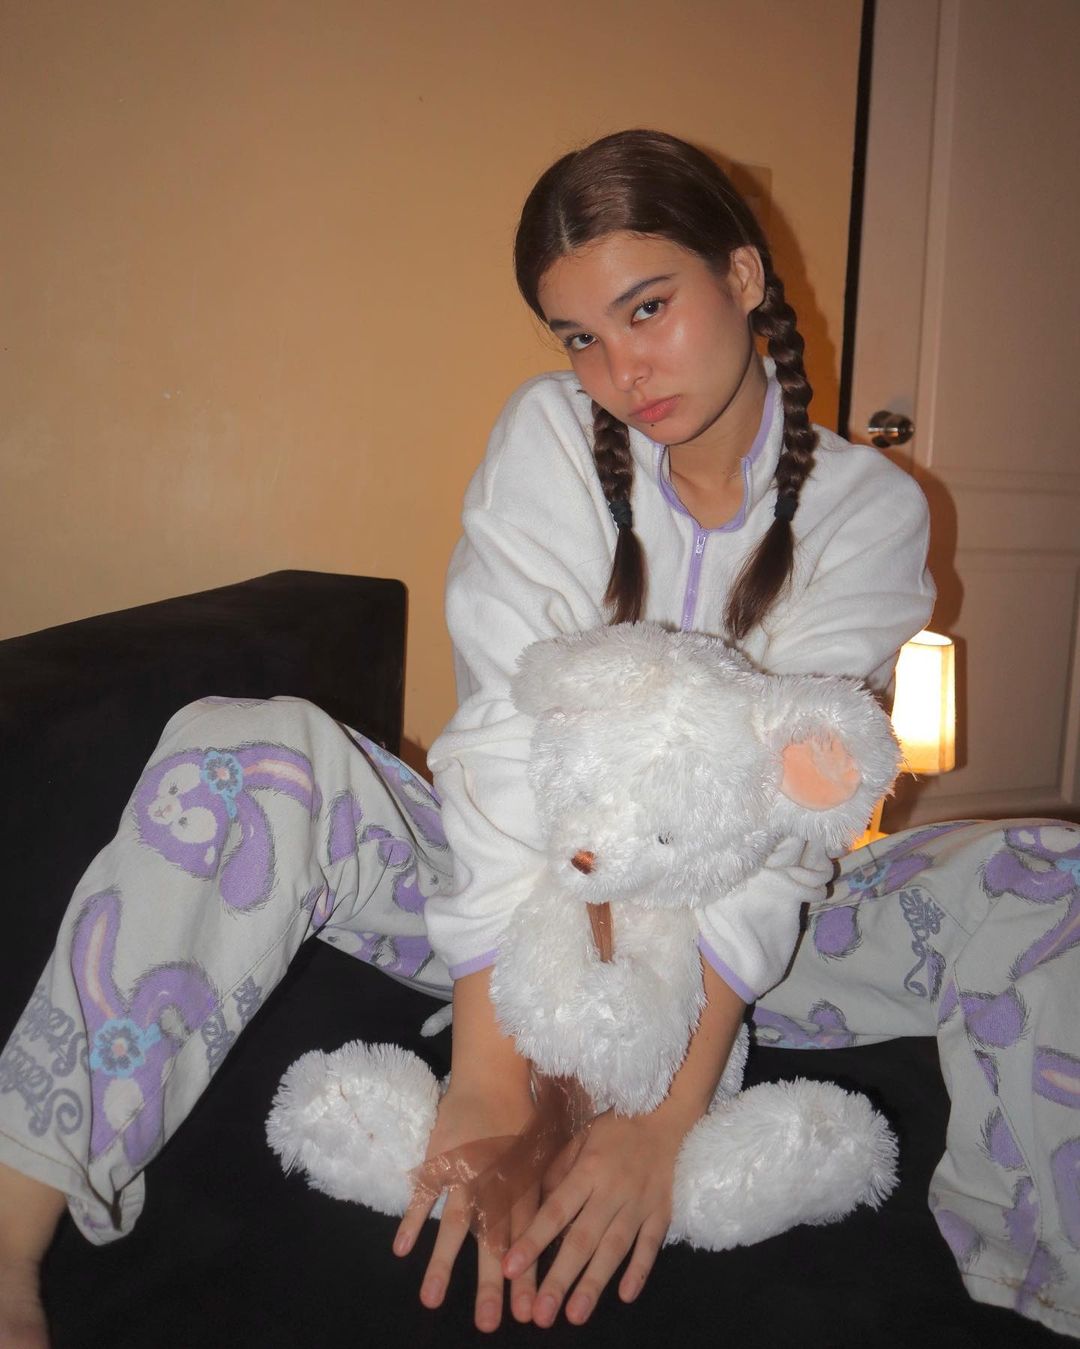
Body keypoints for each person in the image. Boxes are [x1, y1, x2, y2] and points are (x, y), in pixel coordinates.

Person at [0, 129, 1075, 1346]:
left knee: (1050, 875)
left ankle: (1047, 1290)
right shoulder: (553, 437)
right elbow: (504, 744)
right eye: (579, 337)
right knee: (241, 746)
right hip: (526, 904)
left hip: (769, 953)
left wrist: (664, 1121)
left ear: (742, 274)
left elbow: (788, 821)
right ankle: (11, 1220)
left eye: (648, 308)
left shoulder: (871, 511)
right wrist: (487, 1078)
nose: (622, 370)